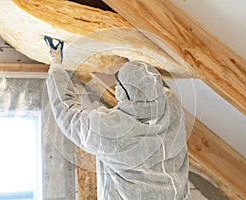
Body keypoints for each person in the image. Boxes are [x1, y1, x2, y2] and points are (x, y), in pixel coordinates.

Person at [44, 36, 189, 200]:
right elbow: (150, 88)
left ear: (122, 92)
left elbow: (67, 113)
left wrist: (56, 65)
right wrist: (135, 67)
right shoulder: (172, 106)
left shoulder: (112, 131)